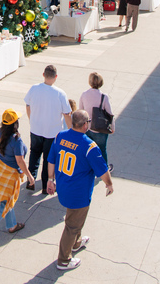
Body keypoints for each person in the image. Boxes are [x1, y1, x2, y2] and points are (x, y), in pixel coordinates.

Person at [46, 110, 114, 271]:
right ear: (85, 125)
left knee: (75, 219)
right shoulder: (89, 145)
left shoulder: (60, 136)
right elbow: (103, 170)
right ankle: (63, 260)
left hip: (63, 188)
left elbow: (51, 159)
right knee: (72, 225)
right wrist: (109, 184)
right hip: (79, 194)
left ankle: (76, 243)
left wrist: (50, 179)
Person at [0, 109, 33, 245]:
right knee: (4, 204)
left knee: (8, 200)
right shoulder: (16, 140)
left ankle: (12, 225)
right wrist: (30, 177)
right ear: (15, 124)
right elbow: (20, 161)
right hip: (9, 174)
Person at [24, 65, 71, 194]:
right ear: (56, 77)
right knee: (48, 159)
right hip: (52, 133)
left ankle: (31, 180)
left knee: (34, 154)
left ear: (43, 74)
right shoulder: (60, 93)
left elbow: (27, 105)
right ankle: (45, 185)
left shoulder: (34, 89)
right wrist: (72, 132)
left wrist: (31, 119)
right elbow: (67, 114)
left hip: (35, 129)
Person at [77, 72, 115, 172]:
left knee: (87, 150)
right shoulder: (104, 96)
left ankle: (88, 168)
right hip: (100, 129)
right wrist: (113, 127)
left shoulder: (84, 94)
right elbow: (110, 114)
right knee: (102, 150)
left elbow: (81, 111)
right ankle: (104, 169)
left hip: (87, 128)